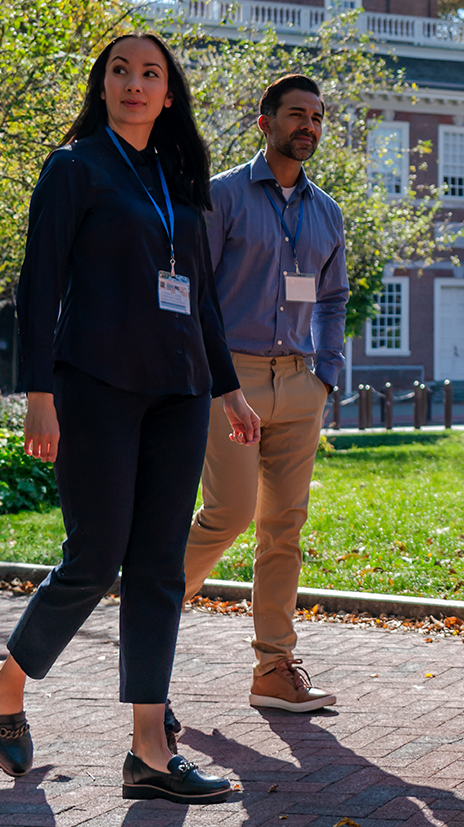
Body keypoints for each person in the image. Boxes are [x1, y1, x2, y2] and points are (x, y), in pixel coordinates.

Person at [0, 33, 259, 805]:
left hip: (178, 391)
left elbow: (199, 293)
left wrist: (228, 388)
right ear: (102, 86)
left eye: (150, 73)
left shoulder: (177, 176)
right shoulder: (75, 166)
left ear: (169, 93)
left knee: (160, 568)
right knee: (94, 556)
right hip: (96, 385)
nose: (134, 84)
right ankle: (8, 678)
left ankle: (147, 750)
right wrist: (39, 392)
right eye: (120, 71)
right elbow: (39, 287)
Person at [180, 73, 349, 713]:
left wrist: (325, 372)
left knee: (284, 526)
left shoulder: (327, 211)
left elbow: (332, 296)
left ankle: (274, 669)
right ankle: (154, 621)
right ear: (265, 121)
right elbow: (195, 293)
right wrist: (222, 383)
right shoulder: (221, 196)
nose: (307, 126)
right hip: (233, 381)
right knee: (226, 516)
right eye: (296, 114)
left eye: (316, 117)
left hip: (301, 382)